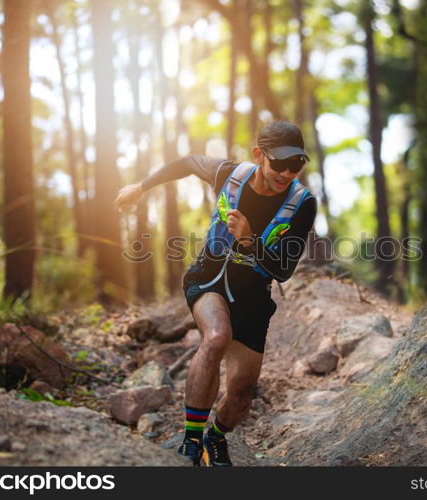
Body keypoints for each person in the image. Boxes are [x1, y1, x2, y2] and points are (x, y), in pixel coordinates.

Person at [114, 120, 317, 466]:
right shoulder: (230, 174)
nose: (287, 172)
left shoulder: (302, 204)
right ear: (258, 155)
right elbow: (187, 163)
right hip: (208, 277)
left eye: (296, 164)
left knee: (240, 395)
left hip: (253, 295)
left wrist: (251, 241)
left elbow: (283, 269)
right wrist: (142, 186)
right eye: (279, 163)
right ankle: (192, 441)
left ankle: (216, 437)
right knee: (217, 336)